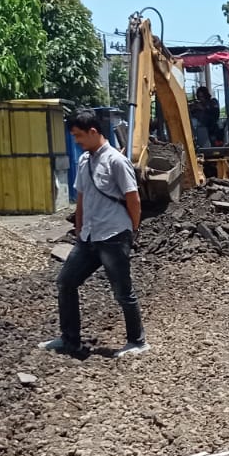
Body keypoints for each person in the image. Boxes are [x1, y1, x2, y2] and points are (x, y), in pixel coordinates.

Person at [41, 112, 148, 359]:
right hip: (89, 236)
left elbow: (133, 198)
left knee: (122, 291)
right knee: (66, 282)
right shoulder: (84, 160)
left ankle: (137, 341)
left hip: (113, 234)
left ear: (93, 131)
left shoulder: (116, 161)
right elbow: (81, 197)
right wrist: (79, 227)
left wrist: (131, 230)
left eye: (79, 135)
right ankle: (70, 340)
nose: (76, 140)